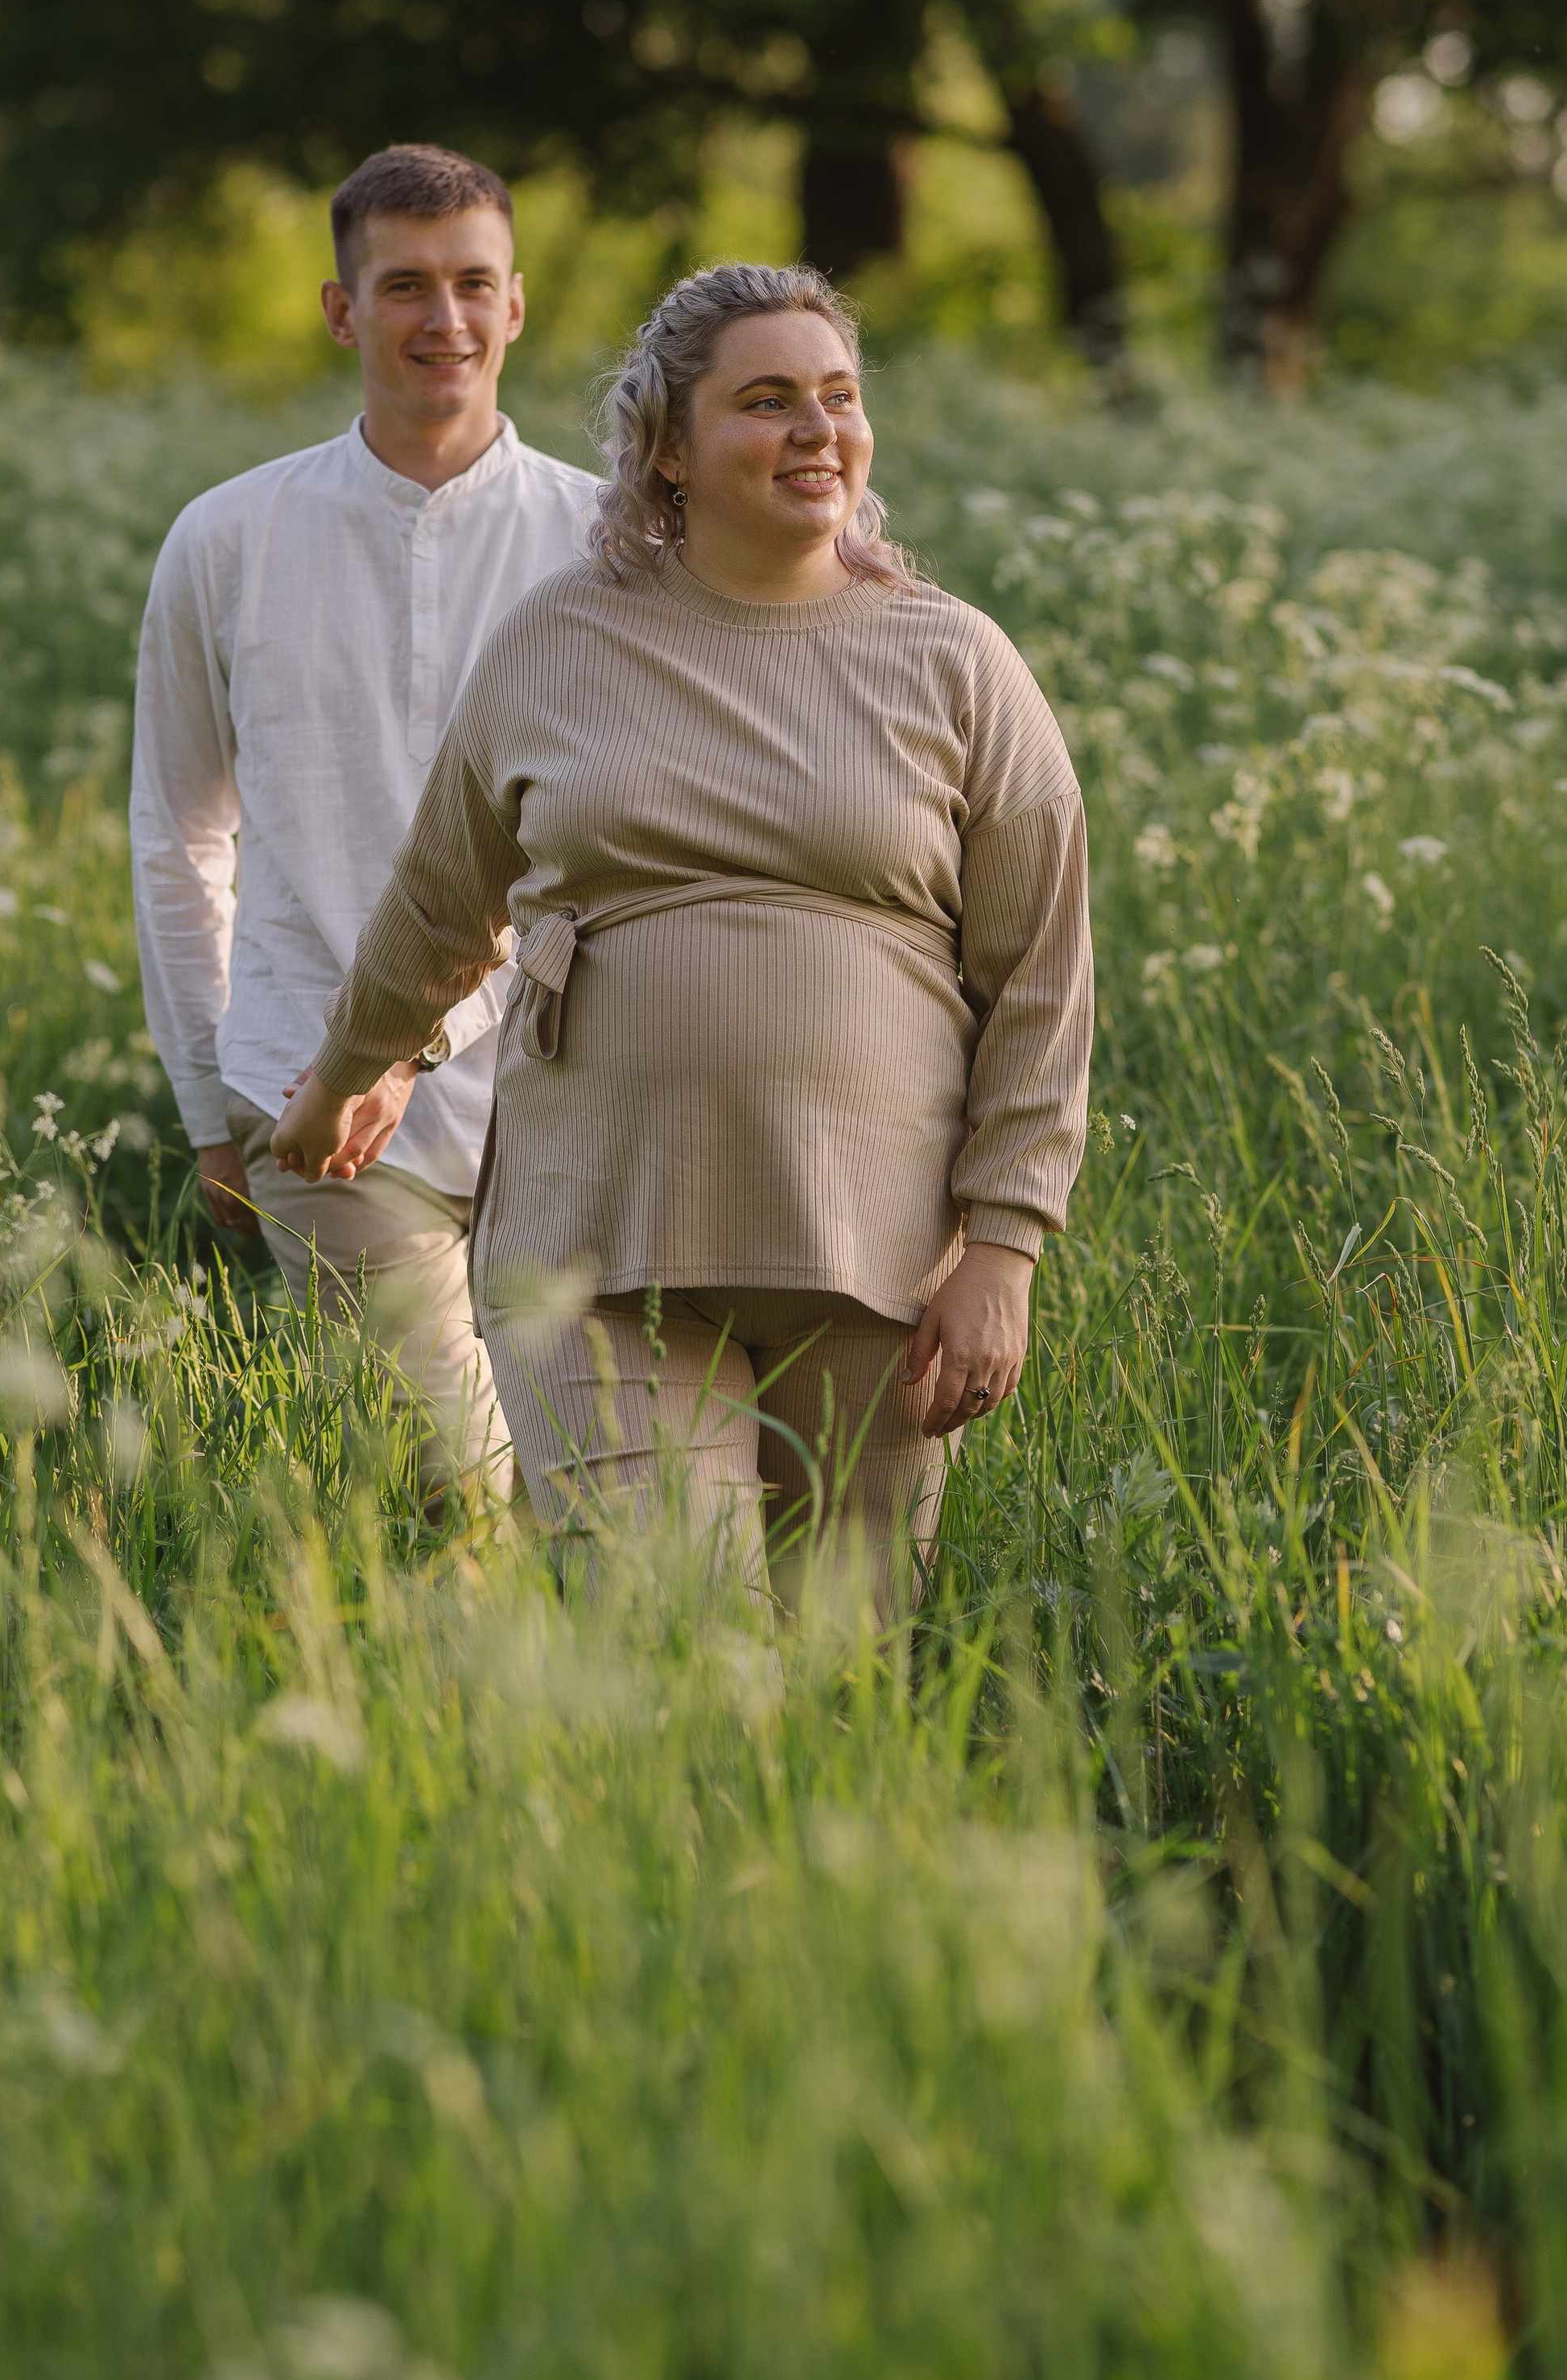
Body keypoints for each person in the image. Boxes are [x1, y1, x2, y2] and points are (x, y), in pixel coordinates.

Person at [271, 260, 1093, 1613]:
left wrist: (1004, 1248)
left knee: (846, 1681)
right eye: (767, 401)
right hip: (597, 1242)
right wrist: (353, 1063)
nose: (817, 430)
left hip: (877, 1262)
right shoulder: (555, 642)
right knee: (679, 1651)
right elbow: (439, 904)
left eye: (838, 396)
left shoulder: (955, 660)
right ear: (666, 447)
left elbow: (1042, 981)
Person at [130, 143, 599, 1502]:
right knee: (455, 1491)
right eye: (404, 286)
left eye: (471, 284)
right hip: (313, 1094)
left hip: (570, 1086)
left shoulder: (608, 544)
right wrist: (211, 1093)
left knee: (592, 1489)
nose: (441, 320)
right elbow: (179, 836)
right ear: (344, 312)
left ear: (517, 305)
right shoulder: (225, 540)